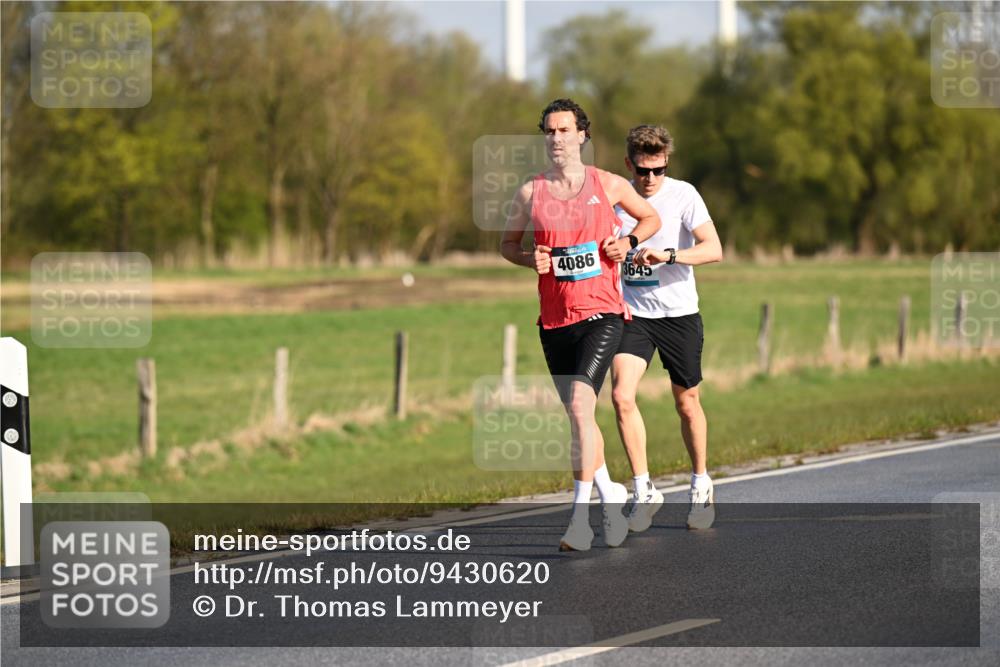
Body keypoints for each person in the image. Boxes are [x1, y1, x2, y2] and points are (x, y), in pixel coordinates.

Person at [500, 100, 661, 551]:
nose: (557, 138)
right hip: (555, 319)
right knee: (581, 418)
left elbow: (651, 218)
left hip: (602, 313)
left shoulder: (607, 184)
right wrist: (529, 258)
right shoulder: (530, 192)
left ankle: (579, 521)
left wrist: (627, 242)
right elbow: (507, 245)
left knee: (578, 407)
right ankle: (610, 495)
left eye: (565, 130)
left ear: (582, 135)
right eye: (549, 131)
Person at [610, 124, 723, 531]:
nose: (651, 178)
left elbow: (714, 249)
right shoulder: (616, 200)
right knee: (621, 396)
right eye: (643, 171)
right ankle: (643, 490)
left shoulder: (684, 194)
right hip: (633, 314)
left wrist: (669, 255)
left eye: (658, 170)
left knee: (687, 402)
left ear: (667, 164)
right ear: (629, 165)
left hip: (679, 314)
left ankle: (700, 483)